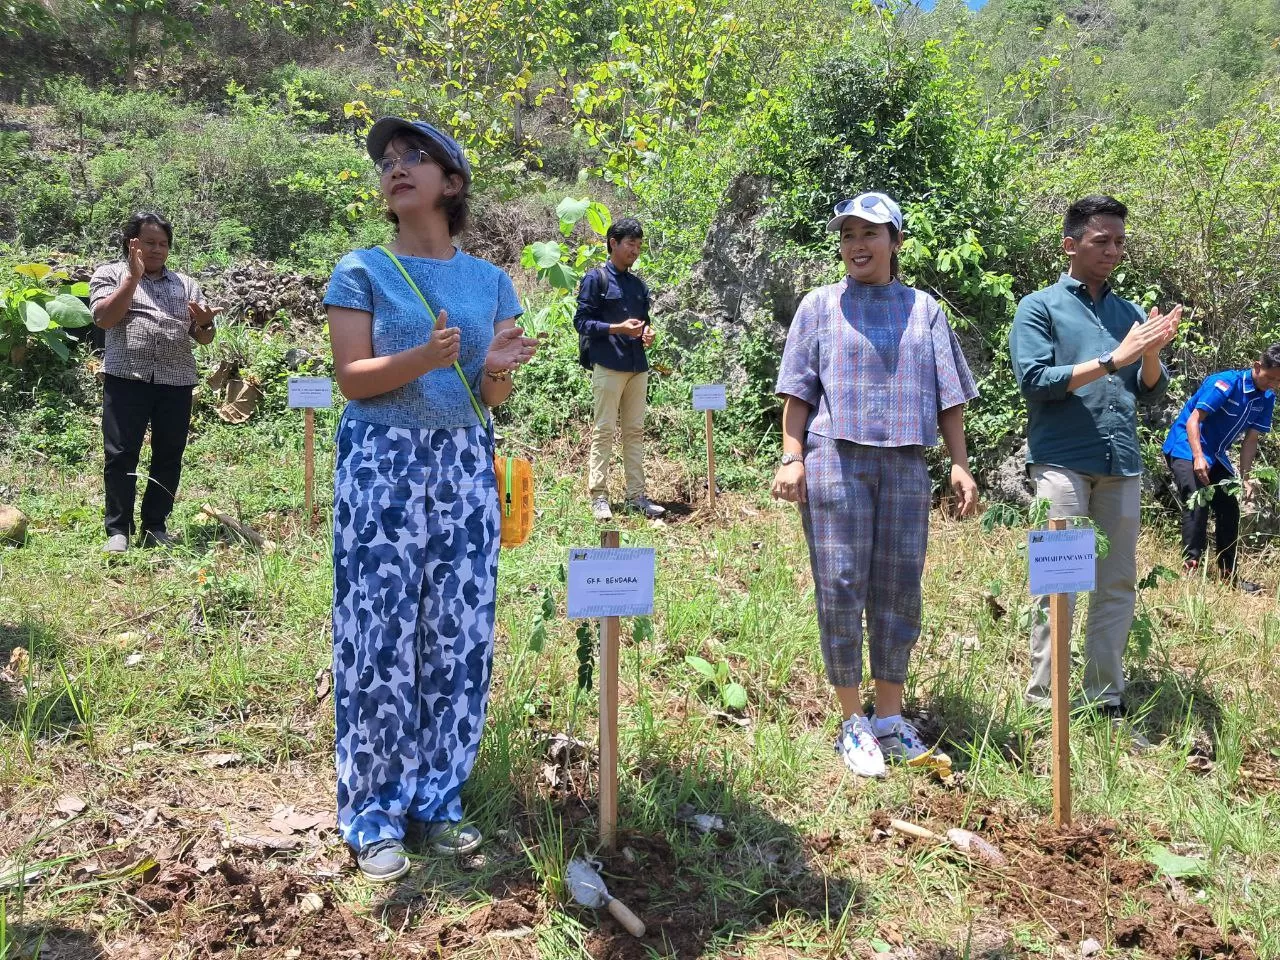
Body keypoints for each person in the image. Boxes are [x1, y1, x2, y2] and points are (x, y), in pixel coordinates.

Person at [323, 116, 538, 882]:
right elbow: (352, 379)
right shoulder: (362, 270)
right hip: (382, 460)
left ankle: (438, 799)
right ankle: (374, 812)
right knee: (380, 630)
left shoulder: (490, 282)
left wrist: (498, 366)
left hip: (464, 461)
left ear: (452, 182)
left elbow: (489, 395)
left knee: (458, 629)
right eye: (388, 160)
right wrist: (422, 356)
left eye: (414, 156)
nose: (396, 167)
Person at [771, 192, 979, 778]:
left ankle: (889, 718)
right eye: (848, 235)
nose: (857, 245)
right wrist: (792, 457)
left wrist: (959, 463)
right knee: (840, 584)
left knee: (898, 586)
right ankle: (852, 720)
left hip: (906, 464)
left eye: (870, 233)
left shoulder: (925, 310)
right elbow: (797, 392)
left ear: (895, 242)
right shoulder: (819, 305)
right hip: (835, 459)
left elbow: (950, 397)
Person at [1009, 194, 1180, 719]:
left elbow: (1150, 391)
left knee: (1117, 583)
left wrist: (1149, 355)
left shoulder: (1129, 313)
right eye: (1102, 241)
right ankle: (1046, 702)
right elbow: (1034, 380)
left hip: (1121, 464)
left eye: (1120, 242)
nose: (1113, 251)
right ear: (1071, 244)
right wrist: (1112, 358)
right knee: (1060, 581)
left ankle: (1104, 697)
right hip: (1061, 461)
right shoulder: (1040, 306)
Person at [89, 211, 217, 554]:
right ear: (131, 244)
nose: (157, 249)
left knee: (169, 455)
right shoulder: (109, 274)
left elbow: (203, 337)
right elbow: (104, 319)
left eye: (163, 244)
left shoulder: (185, 284)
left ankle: (155, 526)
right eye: (149, 243)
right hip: (126, 378)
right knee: (120, 454)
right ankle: (118, 530)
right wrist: (132, 278)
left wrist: (206, 324)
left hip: (176, 381)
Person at [1161, 345, 1280, 593]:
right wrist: (1197, 457)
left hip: (1215, 455)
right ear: (1257, 366)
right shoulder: (1225, 383)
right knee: (1197, 499)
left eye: (1278, 381)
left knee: (1229, 508)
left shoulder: (1267, 398)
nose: (1273, 384)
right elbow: (1194, 420)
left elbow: (1251, 440)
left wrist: (1245, 478)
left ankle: (1228, 576)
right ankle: (1190, 570)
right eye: (1270, 378)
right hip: (1186, 446)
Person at [574, 217, 665, 521]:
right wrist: (617, 328)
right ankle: (599, 497)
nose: (635, 251)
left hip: (637, 366)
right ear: (613, 243)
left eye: (639, 246)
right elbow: (581, 322)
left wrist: (647, 333)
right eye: (630, 244)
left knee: (635, 432)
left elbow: (643, 323)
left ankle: (636, 496)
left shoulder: (638, 285)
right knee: (604, 430)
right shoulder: (596, 279)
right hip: (609, 364)